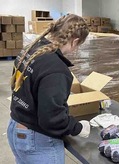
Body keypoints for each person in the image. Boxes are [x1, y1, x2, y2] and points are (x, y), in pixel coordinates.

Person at [7, 14, 91, 163]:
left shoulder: (31, 49)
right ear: (75, 41)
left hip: (16, 128)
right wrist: (77, 127)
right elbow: (52, 118)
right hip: (37, 140)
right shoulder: (56, 69)